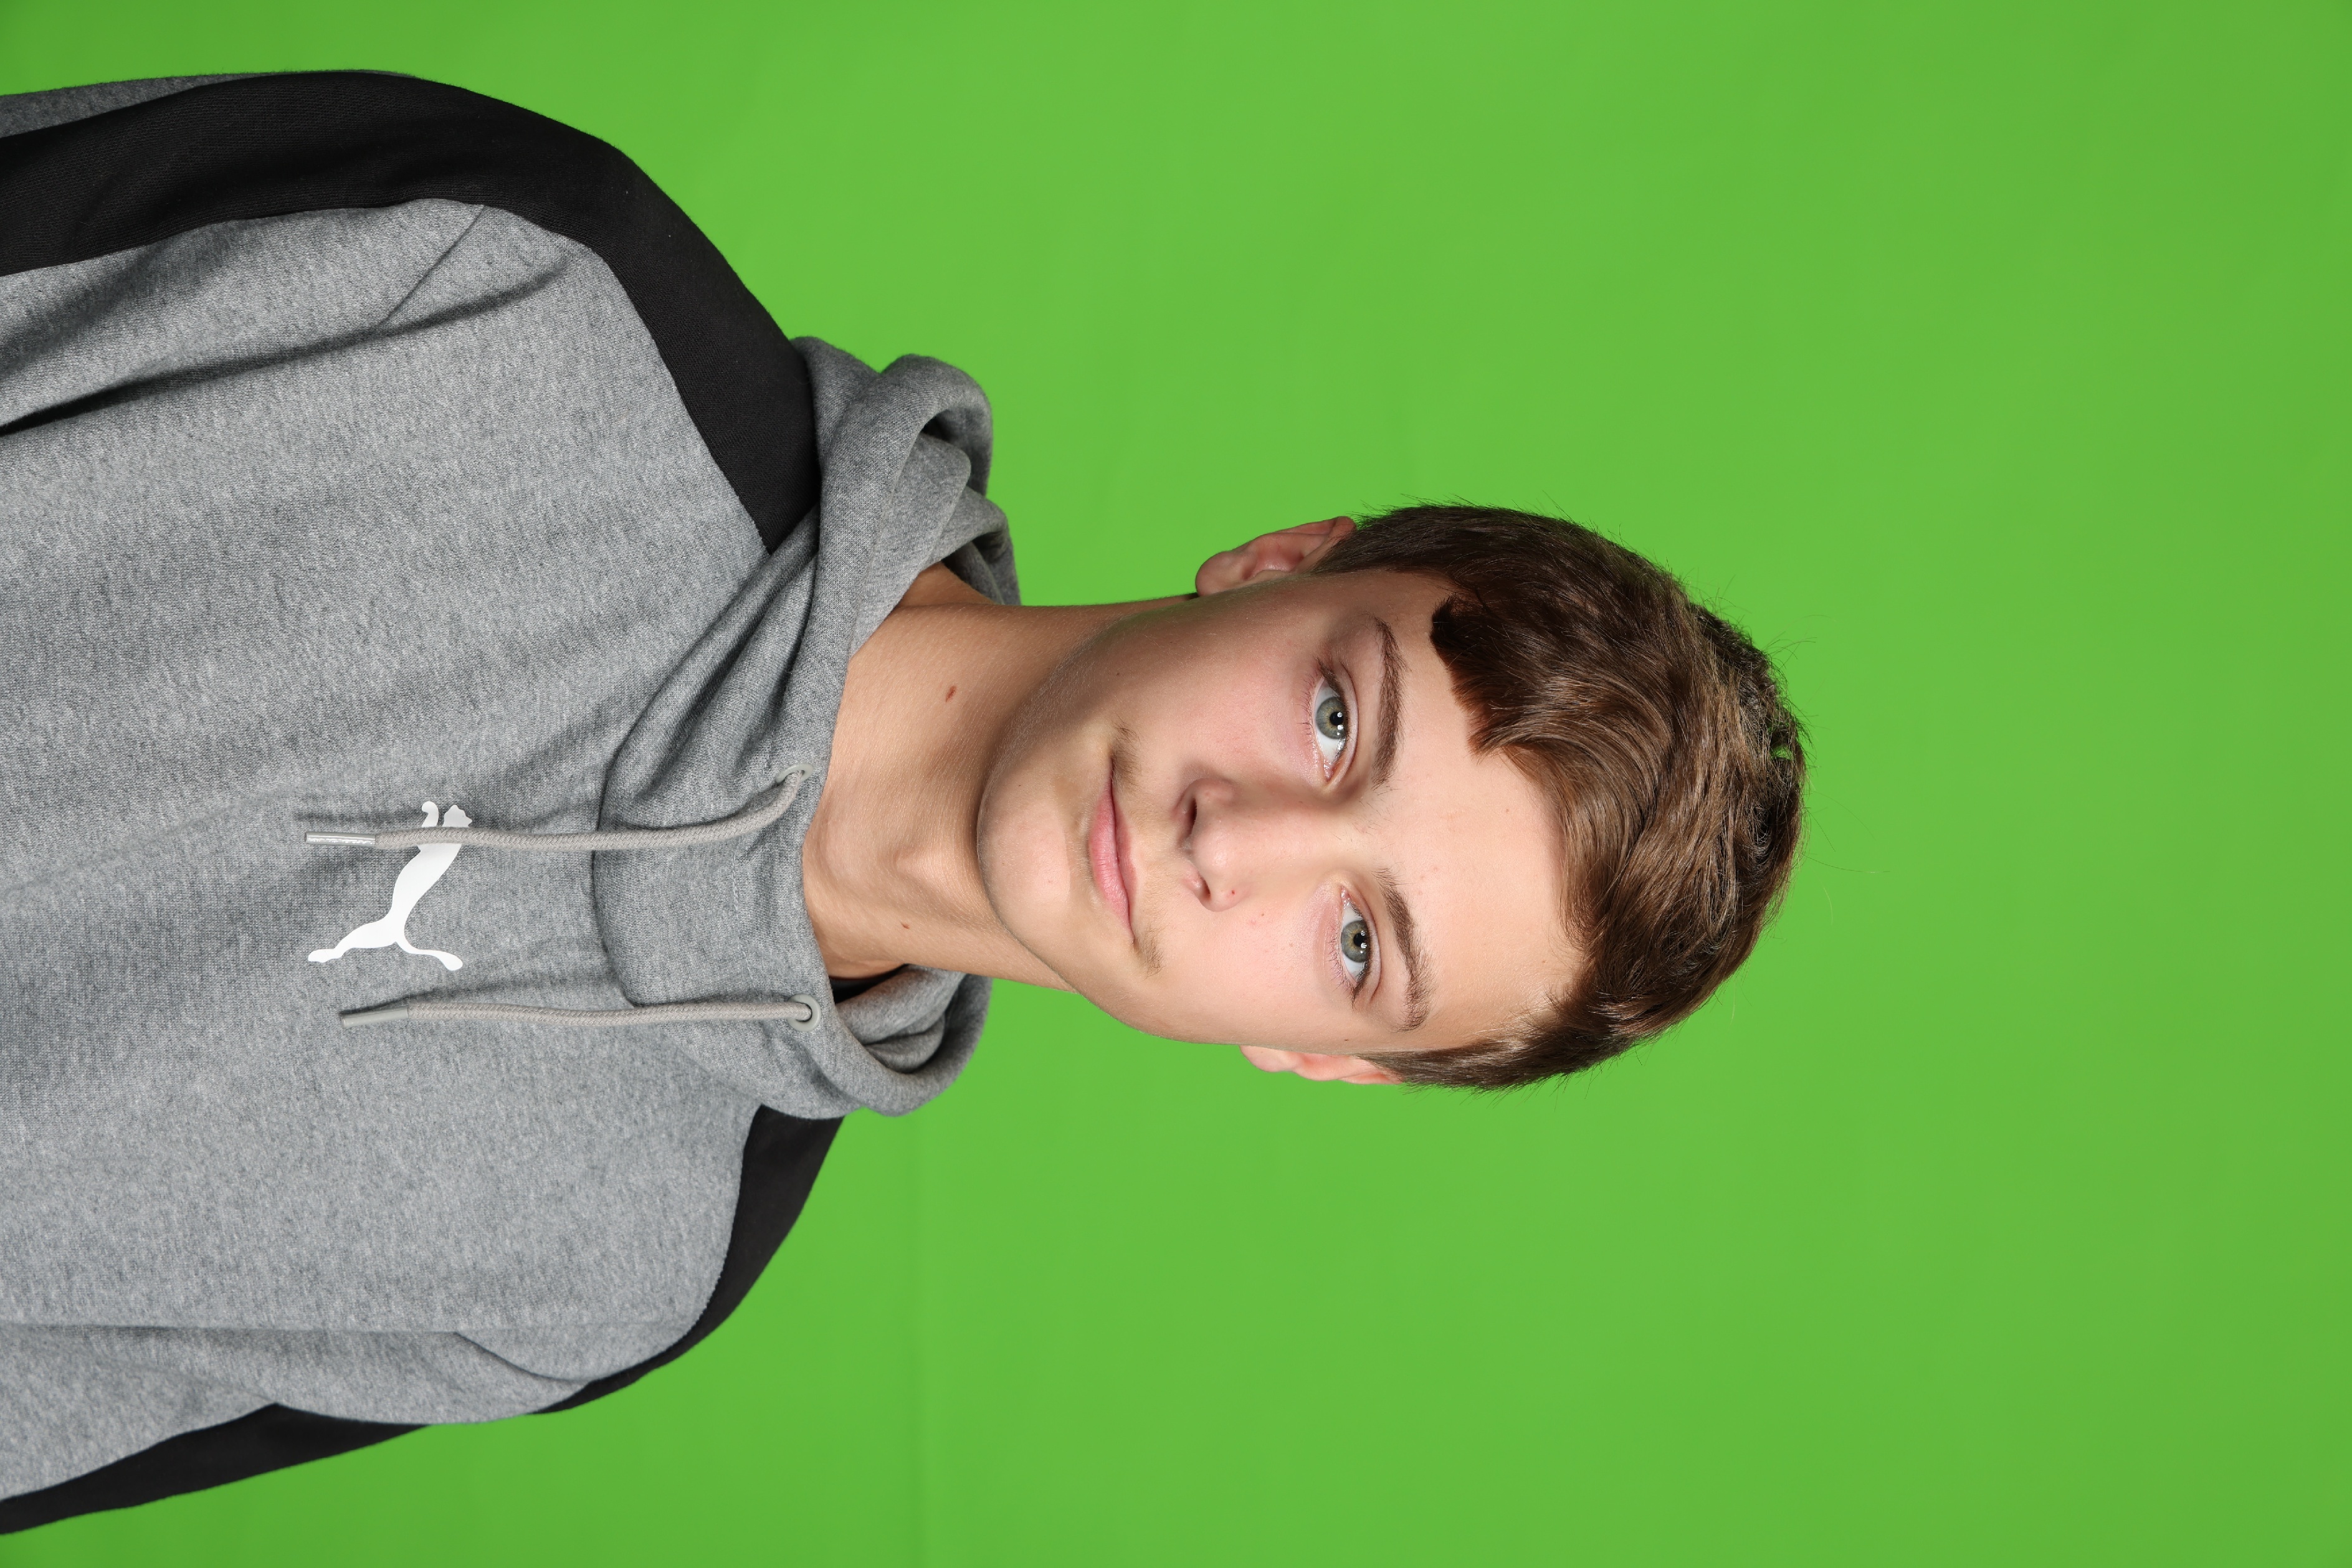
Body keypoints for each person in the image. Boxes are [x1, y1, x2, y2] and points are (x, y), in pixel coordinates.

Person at [0, 71, 1804, 1528]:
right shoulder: (522, 285)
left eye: (1355, 944)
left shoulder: (626, 1273)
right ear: (1281, 562)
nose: (1234, 840)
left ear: (1321, 1059)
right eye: (1339, 720)